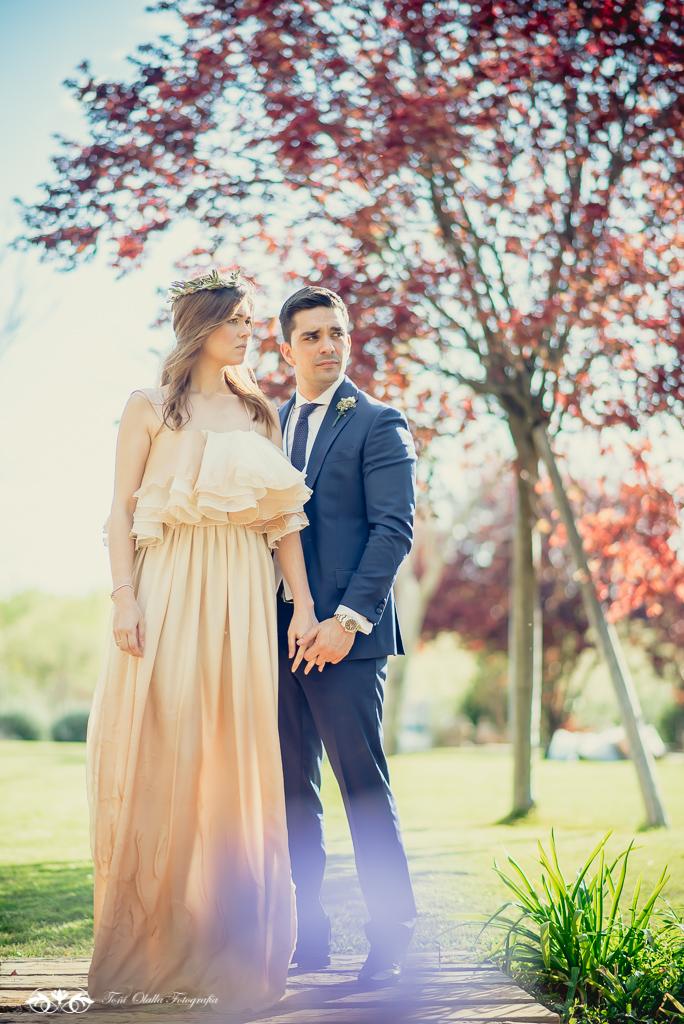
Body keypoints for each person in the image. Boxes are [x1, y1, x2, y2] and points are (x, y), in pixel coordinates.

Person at [86, 269, 316, 1014]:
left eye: (250, 319)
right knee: (168, 748)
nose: (248, 331)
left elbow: (283, 524)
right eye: (235, 320)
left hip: (243, 595)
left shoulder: (259, 413)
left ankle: (234, 945)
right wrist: (124, 598)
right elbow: (120, 513)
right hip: (168, 587)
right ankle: (154, 944)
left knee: (236, 759)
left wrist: (304, 606)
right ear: (200, 325)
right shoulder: (149, 406)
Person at [275, 285, 418, 985]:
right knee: (290, 793)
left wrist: (346, 622)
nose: (328, 345)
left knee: (362, 788)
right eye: (311, 336)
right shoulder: (266, 426)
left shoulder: (378, 423)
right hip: (277, 636)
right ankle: (309, 935)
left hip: (349, 642)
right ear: (287, 350)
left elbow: (394, 531)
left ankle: (391, 939)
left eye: (336, 333)